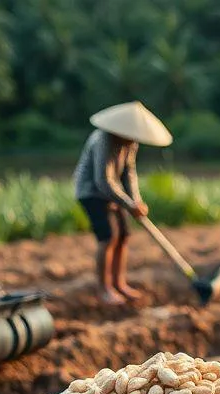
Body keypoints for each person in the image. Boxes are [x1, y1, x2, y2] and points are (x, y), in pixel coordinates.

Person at [74, 101, 172, 306]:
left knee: (124, 235)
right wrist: (128, 203)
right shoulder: (102, 140)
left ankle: (119, 283)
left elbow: (129, 173)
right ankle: (104, 289)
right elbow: (103, 180)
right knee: (108, 237)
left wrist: (136, 200)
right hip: (91, 192)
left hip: (113, 193)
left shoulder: (130, 143)